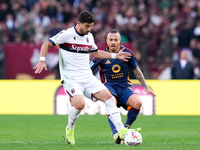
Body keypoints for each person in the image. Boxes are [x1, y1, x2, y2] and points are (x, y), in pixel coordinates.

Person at [33, 11, 134, 145]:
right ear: (79, 23)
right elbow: (47, 43)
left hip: (87, 77)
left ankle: (120, 131)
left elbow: (96, 53)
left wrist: (115, 56)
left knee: (109, 99)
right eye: (87, 26)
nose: (89, 29)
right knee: (80, 105)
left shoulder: (89, 37)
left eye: (91, 26)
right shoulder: (66, 34)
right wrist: (41, 60)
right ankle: (70, 128)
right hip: (71, 78)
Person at [89, 29, 156, 144]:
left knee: (137, 103)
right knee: (111, 103)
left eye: (116, 40)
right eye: (111, 40)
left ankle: (125, 128)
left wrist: (145, 85)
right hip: (110, 86)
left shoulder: (127, 53)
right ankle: (116, 134)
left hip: (125, 87)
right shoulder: (101, 56)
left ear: (120, 41)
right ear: (107, 41)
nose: (113, 42)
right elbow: (87, 71)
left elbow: (136, 70)